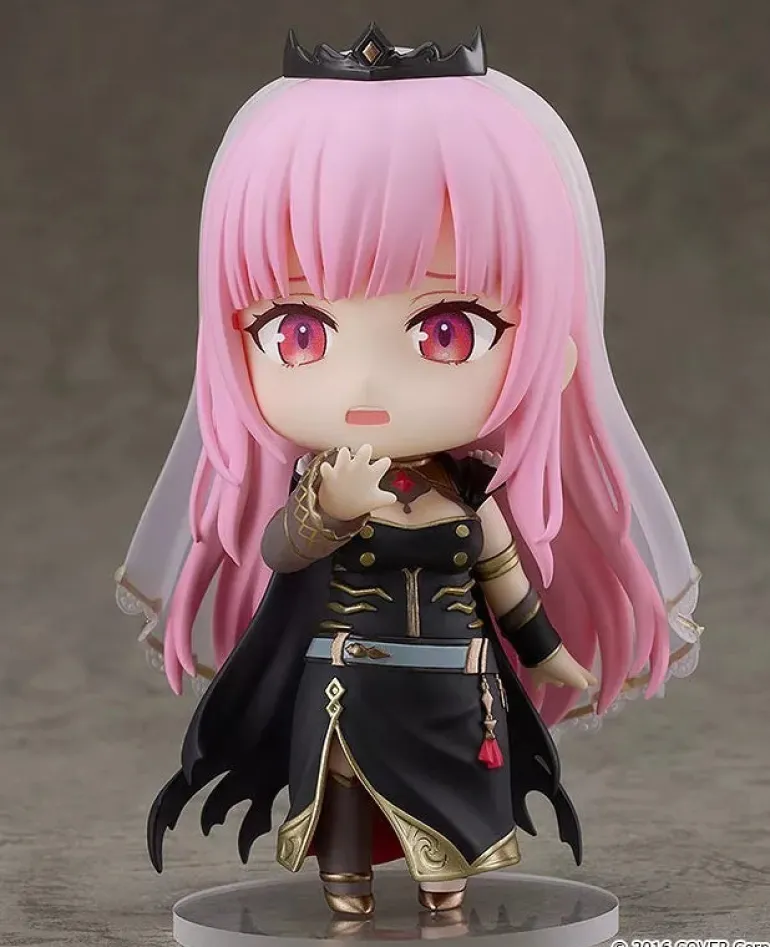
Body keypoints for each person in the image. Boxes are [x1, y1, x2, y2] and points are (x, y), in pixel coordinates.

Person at [115, 24, 702, 918]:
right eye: (299, 331)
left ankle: (444, 891)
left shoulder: (469, 494)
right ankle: (345, 889)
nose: (366, 384)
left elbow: (507, 582)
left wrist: (550, 656)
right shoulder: (326, 483)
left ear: (554, 349)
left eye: (447, 330)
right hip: (346, 686)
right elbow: (280, 553)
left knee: (451, 834)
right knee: (344, 813)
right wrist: (325, 512)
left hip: (457, 691)